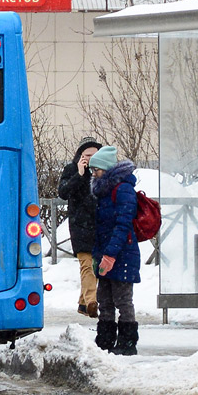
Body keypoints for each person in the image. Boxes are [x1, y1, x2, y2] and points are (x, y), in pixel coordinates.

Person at [89, 145, 141, 355]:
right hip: (106, 253)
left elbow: (123, 225)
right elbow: (100, 228)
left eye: (96, 169)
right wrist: (98, 254)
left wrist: (110, 254)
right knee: (105, 299)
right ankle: (105, 340)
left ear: (107, 169)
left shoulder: (123, 190)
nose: (93, 173)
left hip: (123, 254)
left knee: (122, 299)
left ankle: (128, 343)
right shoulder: (104, 193)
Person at [58, 138, 103, 318]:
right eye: (86, 156)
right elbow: (63, 193)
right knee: (87, 265)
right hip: (79, 226)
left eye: (94, 156)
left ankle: (83, 304)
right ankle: (92, 301)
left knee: (97, 266)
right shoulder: (71, 170)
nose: (90, 159)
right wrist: (79, 174)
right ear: (80, 156)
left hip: (99, 225)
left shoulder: (102, 173)